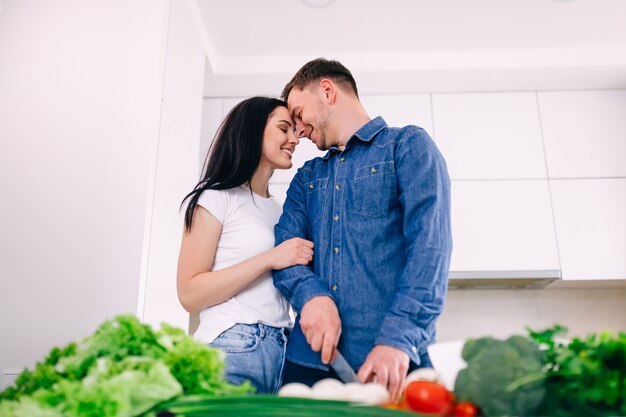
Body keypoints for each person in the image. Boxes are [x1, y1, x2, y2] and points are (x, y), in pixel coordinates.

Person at [273, 58, 452, 401]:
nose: (298, 131)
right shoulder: (307, 177)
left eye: (298, 114)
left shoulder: (407, 146)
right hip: (307, 363)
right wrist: (311, 296)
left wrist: (398, 338)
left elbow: (431, 249)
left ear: (327, 90)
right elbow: (286, 249)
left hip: (393, 361)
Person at [177, 97, 315, 394]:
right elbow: (189, 293)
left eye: (294, 130)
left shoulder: (280, 211)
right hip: (232, 346)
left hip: (281, 353)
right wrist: (270, 258)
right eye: (284, 129)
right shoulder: (215, 197)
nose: (295, 139)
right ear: (253, 131)